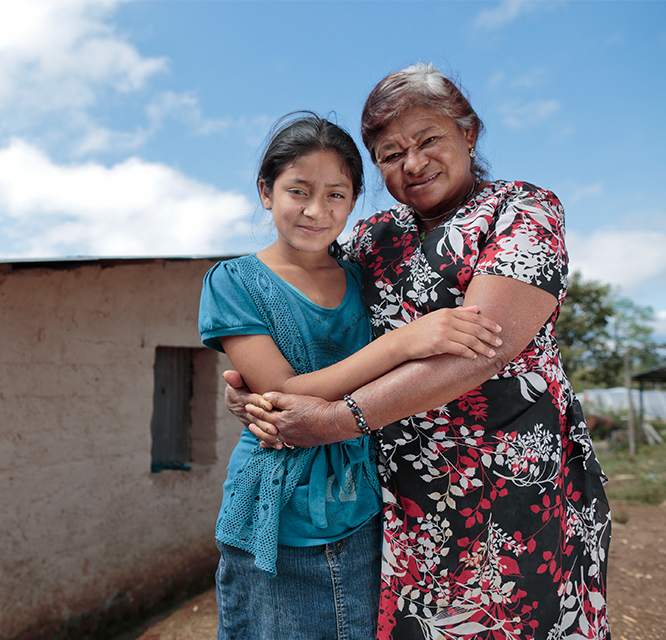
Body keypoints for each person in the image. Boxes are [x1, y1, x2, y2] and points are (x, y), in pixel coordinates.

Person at [233, 65, 611, 639]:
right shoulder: (370, 238)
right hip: (400, 500)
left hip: (511, 491)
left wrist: (334, 419)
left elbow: (483, 350)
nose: (412, 163)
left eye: (428, 139)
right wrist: (260, 389)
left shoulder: (521, 211)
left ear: (469, 133)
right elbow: (313, 327)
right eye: (389, 153)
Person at [199, 113, 503, 640]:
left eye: (337, 194)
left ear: (356, 199)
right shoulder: (234, 281)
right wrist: (404, 340)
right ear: (266, 192)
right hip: (277, 521)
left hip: (365, 510)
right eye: (299, 190)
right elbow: (282, 394)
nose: (317, 210)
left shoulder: (362, 275)